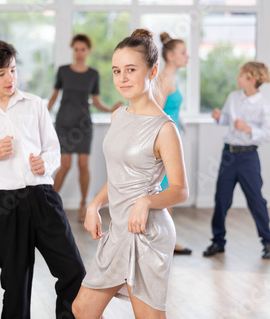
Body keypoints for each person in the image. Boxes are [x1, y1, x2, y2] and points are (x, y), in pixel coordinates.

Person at [0, 38, 86, 319]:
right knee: (15, 284)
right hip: (5, 204)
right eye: (1, 74)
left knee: (74, 271)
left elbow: (53, 151)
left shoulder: (35, 104)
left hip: (43, 197)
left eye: (12, 70)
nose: (10, 78)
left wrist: (44, 164)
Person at [71, 29, 188, 319]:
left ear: (153, 71)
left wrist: (147, 201)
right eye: (116, 70)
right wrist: (95, 204)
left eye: (131, 70)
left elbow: (180, 190)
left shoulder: (165, 128)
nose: (122, 78)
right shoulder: (118, 116)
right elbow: (121, 176)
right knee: (82, 309)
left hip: (147, 232)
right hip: (119, 227)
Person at [203, 61, 270, 259]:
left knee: (256, 200)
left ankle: (267, 241)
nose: (237, 78)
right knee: (221, 199)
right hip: (228, 155)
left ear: (252, 79)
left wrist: (248, 129)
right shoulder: (233, 97)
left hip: (248, 157)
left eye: (241, 75)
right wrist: (219, 117)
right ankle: (218, 241)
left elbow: (268, 134)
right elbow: (227, 120)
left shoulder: (263, 106)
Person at [47, 34, 122, 222]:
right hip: (64, 122)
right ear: (73, 50)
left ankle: (83, 205)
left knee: (82, 165)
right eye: (76, 49)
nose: (79, 53)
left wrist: (110, 109)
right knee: (65, 165)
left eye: (83, 49)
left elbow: (95, 101)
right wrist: (42, 116)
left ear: (88, 51)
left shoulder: (93, 74)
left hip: (83, 124)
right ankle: (48, 203)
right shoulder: (63, 71)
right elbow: (54, 97)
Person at [155, 32, 192, 255]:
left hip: (172, 143)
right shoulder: (164, 80)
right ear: (170, 56)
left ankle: (167, 239)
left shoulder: (171, 78)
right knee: (167, 192)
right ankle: (165, 241)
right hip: (165, 146)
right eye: (183, 53)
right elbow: (155, 116)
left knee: (169, 191)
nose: (187, 57)